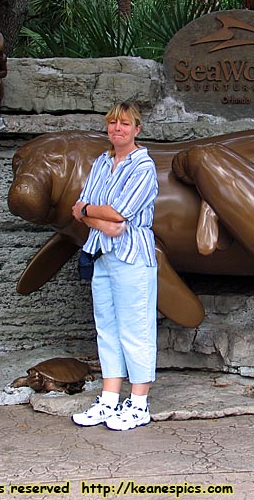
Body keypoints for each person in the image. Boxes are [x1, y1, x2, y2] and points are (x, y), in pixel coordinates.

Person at [71, 102, 159, 431]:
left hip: (132, 256)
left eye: (124, 124)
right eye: (112, 123)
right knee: (106, 327)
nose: (116, 129)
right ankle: (109, 399)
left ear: (137, 129)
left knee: (135, 329)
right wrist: (95, 216)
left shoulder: (143, 167)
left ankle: (138, 404)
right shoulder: (101, 163)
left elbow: (120, 213)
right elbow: (79, 207)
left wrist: (92, 213)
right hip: (101, 253)